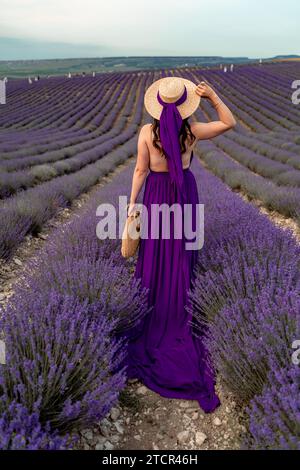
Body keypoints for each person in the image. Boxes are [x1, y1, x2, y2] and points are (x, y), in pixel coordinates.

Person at [125, 76, 236, 413]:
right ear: (185, 104)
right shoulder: (191, 132)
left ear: (157, 105)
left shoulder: (147, 132)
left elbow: (141, 171)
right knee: (180, 255)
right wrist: (214, 96)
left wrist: (132, 206)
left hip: (157, 197)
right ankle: (179, 308)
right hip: (183, 195)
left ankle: (156, 308)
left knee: (155, 255)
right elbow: (230, 122)